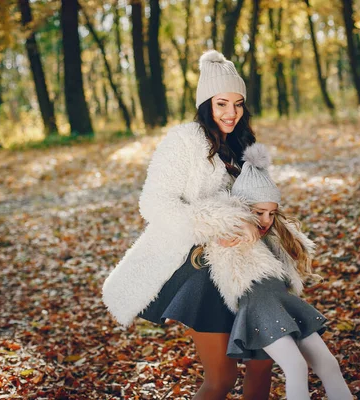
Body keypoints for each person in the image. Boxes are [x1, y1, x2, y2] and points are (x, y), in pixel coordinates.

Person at [102, 50, 273, 399]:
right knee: (221, 379)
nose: (231, 113)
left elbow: (261, 202)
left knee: (264, 362)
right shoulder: (183, 141)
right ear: (205, 103)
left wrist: (258, 224)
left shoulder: (244, 144)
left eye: (238, 104)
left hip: (246, 263)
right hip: (199, 268)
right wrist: (216, 225)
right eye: (222, 103)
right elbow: (153, 203)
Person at [194, 143, 352, 400]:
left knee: (329, 364)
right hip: (258, 308)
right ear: (241, 208)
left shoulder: (273, 236)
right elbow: (205, 216)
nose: (266, 220)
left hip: (284, 302)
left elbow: (290, 253)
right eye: (258, 213)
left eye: (271, 213)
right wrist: (238, 222)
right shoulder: (227, 233)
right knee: (296, 367)